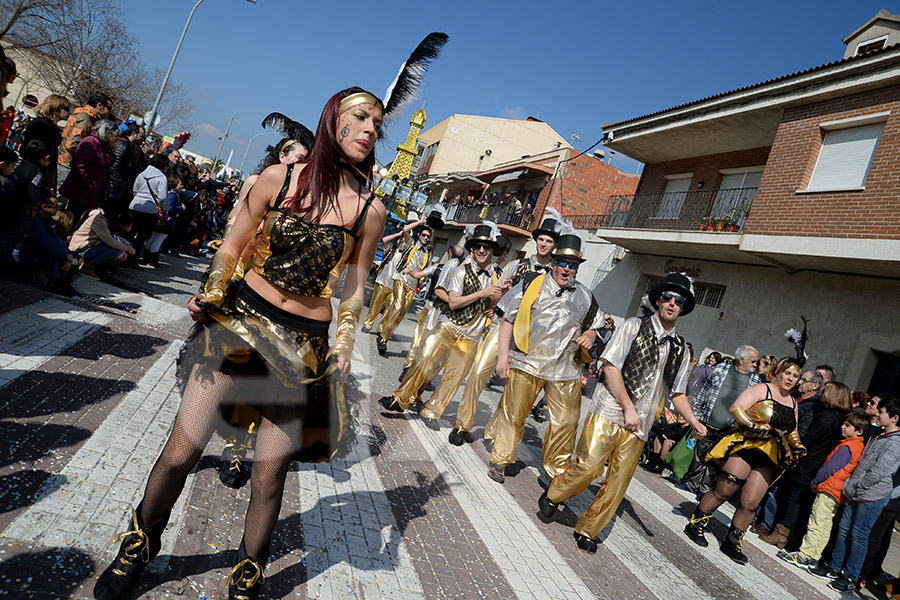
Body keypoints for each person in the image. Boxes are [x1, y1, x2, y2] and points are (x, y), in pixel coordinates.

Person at [93, 87, 386, 600]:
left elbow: (356, 288)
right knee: (183, 451)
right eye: (361, 117)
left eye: (378, 125)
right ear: (332, 120)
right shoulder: (280, 178)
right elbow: (233, 242)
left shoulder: (370, 211)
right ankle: (138, 547)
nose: (370, 130)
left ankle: (248, 573)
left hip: (304, 346)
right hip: (239, 324)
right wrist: (211, 291)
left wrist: (342, 346)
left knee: (269, 476)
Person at [539, 273, 705, 553]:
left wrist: (693, 421)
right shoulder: (633, 326)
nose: (672, 303)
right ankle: (555, 493)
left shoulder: (681, 349)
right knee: (588, 467)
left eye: (679, 300)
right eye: (667, 297)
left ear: (683, 307)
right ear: (657, 300)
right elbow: (611, 366)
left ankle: (589, 529)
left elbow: (677, 393)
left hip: (641, 425)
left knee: (617, 483)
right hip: (610, 410)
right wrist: (628, 408)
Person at [487, 227, 606, 485]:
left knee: (565, 423)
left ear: (577, 268)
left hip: (565, 371)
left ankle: (555, 472)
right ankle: (500, 459)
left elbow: (597, 325)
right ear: (553, 263)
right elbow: (507, 319)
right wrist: (502, 357)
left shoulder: (585, 295)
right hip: (527, 363)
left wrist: (591, 336)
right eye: (562, 263)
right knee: (514, 414)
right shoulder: (532, 284)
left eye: (572, 265)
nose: (566, 269)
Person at [683, 357, 805, 565]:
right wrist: (754, 425)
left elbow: (791, 429)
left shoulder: (793, 403)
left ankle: (732, 542)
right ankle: (696, 524)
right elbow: (736, 408)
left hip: (768, 455)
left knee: (750, 503)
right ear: (778, 372)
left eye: (795, 376)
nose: (790, 379)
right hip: (746, 445)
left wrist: (798, 445)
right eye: (787, 373)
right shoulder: (761, 389)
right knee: (725, 490)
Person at [378, 223, 504, 421]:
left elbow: (498, 303)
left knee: (454, 378)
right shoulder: (460, 270)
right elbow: (453, 302)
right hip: (448, 325)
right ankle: (400, 398)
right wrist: (483, 293)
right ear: (472, 248)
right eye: (478, 246)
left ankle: (432, 410)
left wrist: (495, 305)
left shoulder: (498, 277)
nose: (481, 250)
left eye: (486, 247)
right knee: (425, 353)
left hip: (471, 337)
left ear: (492, 251)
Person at [810, 396, 900, 592]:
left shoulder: (895, 442)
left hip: (871, 495)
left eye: (883, 412)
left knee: (859, 535)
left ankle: (850, 576)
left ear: (895, 418)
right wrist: (852, 485)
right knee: (843, 529)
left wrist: (858, 485)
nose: (878, 414)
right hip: (855, 490)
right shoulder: (879, 434)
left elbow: (879, 471)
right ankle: (835, 567)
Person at [759, 381, 852, 548]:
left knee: (793, 500)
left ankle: (781, 534)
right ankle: (781, 532)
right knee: (794, 500)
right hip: (815, 462)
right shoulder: (839, 417)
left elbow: (809, 438)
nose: (822, 393)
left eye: (826, 391)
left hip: (808, 462)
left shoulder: (828, 416)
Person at [776, 412, 868, 569]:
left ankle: (805, 554)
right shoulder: (858, 446)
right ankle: (814, 555)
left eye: (848, 426)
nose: (842, 427)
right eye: (844, 424)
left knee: (817, 521)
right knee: (825, 524)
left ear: (859, 431)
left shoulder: (847, 446)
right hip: (836, 491)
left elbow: (830, 468)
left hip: (829, 487)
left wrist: (816, 481)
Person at [682, 345, 763, 493]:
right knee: (700, 455)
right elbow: (705, 392)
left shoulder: (756, 379)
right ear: (741, 360)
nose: (755, 365)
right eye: (753, 361)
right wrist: (697, 415)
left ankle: (705, 488)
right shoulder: (721, 369)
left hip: (730, 428)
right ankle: (692, 484)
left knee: (717, 459)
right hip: (708, 422)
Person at [375, 222, 432, 356]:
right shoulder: (411, 243)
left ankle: (384, 334)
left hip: (412, 286)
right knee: (398, 306)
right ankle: (383, 339)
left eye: (428, 236)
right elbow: (406, 229)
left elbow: (426, 270)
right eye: (423, 235)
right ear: (419, 235)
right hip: (401, 279)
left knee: (400, 314)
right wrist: (420, 221)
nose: (425, 238)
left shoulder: (427, 254)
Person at [362, 216, 426, 332]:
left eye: (404, 243)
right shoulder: (390, 250)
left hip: (395, 287)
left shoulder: (407, 256)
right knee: (375, 306)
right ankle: (368, 324)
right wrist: (398, 235)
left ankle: (381, 328)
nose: (402, 244)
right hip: (382, 282)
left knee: (389, 309)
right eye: (401, 242)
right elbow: (385, 240)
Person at [58, 119, 118, 223]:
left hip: (88, 194)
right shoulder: (91, 142)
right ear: (108, 133)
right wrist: (89, 183)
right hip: (79, 192)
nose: (116, 140)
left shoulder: (102, 147)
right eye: (115, 136)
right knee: (67, 221)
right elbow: (78, 164)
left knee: (74, 222)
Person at [23, 94, 72, 195]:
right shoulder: (40, 124)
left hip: (44, 171)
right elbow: (29, 147)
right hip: (34, 171)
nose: (69, 112)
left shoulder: (52, 127)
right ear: (55, 108)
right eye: (66, 108)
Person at [69, 208, 135, 279]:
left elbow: (114, 235)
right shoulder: (98, 219)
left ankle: (98, 268)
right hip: (80, 249)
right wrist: (127, 249)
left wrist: (128, 245)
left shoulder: (104, 219)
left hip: (90, 246)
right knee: (115, 250)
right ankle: (87, 266)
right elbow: (109, 240)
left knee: (119, 250)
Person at [129, 154, 169, 267]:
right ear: (164, 165)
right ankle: (133, 259)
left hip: (135, 206)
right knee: (141, 237)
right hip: (150, 210)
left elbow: (134, 189)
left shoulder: (142, 174)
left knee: (130, 232)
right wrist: (163, 209)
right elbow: (162, 197)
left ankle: (122, 256)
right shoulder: (161, 178)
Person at [58, 92, 112, 169]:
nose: (110, 112)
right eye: (109, 108)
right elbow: (72, 144)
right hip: (66, 164)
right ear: (99, 105)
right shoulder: (86, 119)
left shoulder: (91, 119)